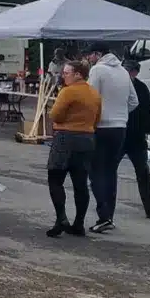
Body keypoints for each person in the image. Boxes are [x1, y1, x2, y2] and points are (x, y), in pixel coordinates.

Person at [85, 43, 138, 234]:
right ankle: (110, 215)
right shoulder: (123, 71)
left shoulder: (97, 70)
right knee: (110, 171)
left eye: (90, 55)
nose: (89, 59)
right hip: (119, 128)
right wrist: (120, 114)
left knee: (95, 172)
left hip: (101, 127)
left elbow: (89, 98)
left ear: (98, 54)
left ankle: (103, 215)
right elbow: (134, 101)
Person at [45, 61, 102, 237]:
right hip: (87, 139)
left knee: (55, 178)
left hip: (65, 137)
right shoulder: (94, 93)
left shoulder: (68, 91)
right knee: (80, 182)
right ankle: (79, 223)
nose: (64, 76)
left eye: (66, 73)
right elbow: (97, 118)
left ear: (78, 74)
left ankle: (61, 217)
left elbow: (55, 114)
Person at [123, 59, 150, 219]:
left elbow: (148, 111)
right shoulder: (118, 86)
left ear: (135, 72)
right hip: (119, 133)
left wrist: (146, 129)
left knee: (143, 172)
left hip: (136, 136)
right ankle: (105, 207)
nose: (127, 74)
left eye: (129, 71)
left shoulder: (141, 88)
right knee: (108, 171)